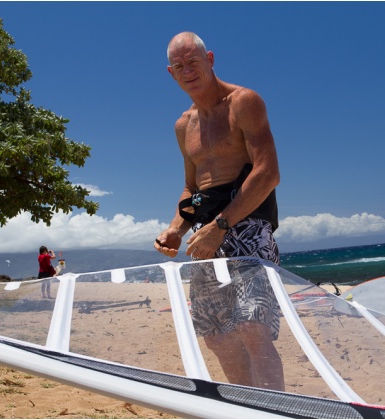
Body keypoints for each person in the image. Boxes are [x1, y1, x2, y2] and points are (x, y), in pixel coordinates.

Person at [155, 32, 284, 391]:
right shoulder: (184, 125)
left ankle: (277, 412)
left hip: (246, 227)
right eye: (179, 66)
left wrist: (222, 225)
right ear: (171, 73)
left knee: (252, 328)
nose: (187, 71)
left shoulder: (244, 102)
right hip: (206, 237)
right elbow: (191, 189)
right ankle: (247, 408)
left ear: (210, 58)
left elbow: (268, 173)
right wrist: (175, 230)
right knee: (216, 336)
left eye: (193, 61)